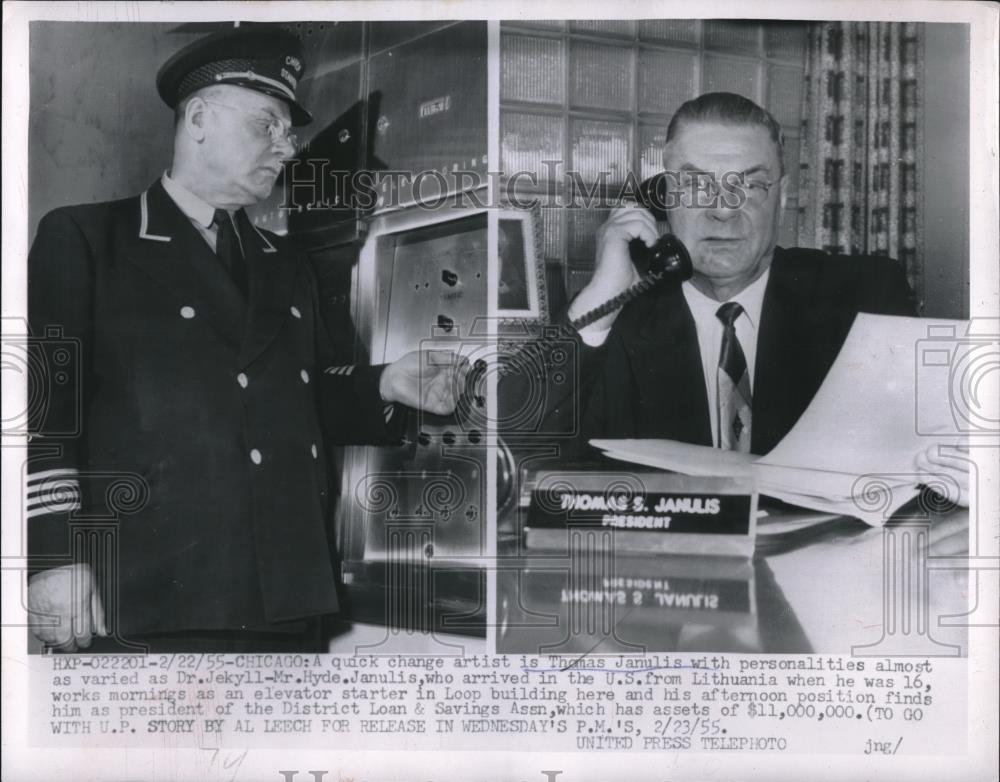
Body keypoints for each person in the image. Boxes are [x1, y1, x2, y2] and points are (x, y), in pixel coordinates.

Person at [26, 26, 468, 652]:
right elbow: (42, 417)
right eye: (269, 124)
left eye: (289, 131)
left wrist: (386, 383)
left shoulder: (285, 263)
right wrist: (52, 557)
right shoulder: (90, 240)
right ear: (199, 119)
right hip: (145, 592)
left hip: (282, 594)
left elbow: (296, 401)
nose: (288, 148)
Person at [501, 92, 967, 505]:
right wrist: (599, 302)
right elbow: (509, 449)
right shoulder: (622, 317)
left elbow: (937, 455)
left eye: (749, 184)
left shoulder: (863, 297)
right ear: (664, 201)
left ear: (781, 200)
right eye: (698, 184)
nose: (722, 210)